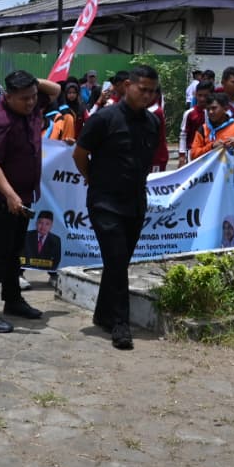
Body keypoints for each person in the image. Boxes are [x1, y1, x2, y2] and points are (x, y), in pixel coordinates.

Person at [73, 64, 161, 351]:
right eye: (142, 89)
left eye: (152, 91)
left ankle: (102, 313)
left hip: (135, 202)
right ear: (127, 86)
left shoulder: (152, 122)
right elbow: (80, 154)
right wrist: (93, 181)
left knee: (117, 262)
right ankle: (120, 324)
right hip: (105, 202)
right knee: (117, 257)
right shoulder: (104, 119)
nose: (147, 95)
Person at [0, 69, 61, 333]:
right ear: (7, 96)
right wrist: (9, 194)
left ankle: (12, 300)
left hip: (22, 197)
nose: (32, 102)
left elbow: (54, 90)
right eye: (24, 98)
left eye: (33, 96)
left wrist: (34, 81)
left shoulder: (31, 109)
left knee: (14, 251)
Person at [189, 92, 234, 160]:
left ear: (225, 109)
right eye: (208, 109)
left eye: (214, 108)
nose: (210, 112)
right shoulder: (203, 129)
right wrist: (211, 146)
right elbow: (193, 155)